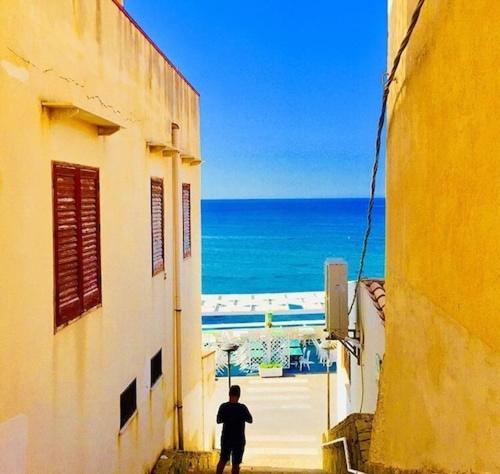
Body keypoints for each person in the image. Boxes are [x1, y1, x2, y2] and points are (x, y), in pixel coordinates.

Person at [216, 385, 253, 474]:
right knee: (236, 464)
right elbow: (250, 420)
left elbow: (218, 420)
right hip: (238, 439)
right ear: (239, 396)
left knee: (223, 460)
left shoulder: (224, 407)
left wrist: (228, 418)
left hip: (226, 438)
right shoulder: (242, 408)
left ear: (229, 394)